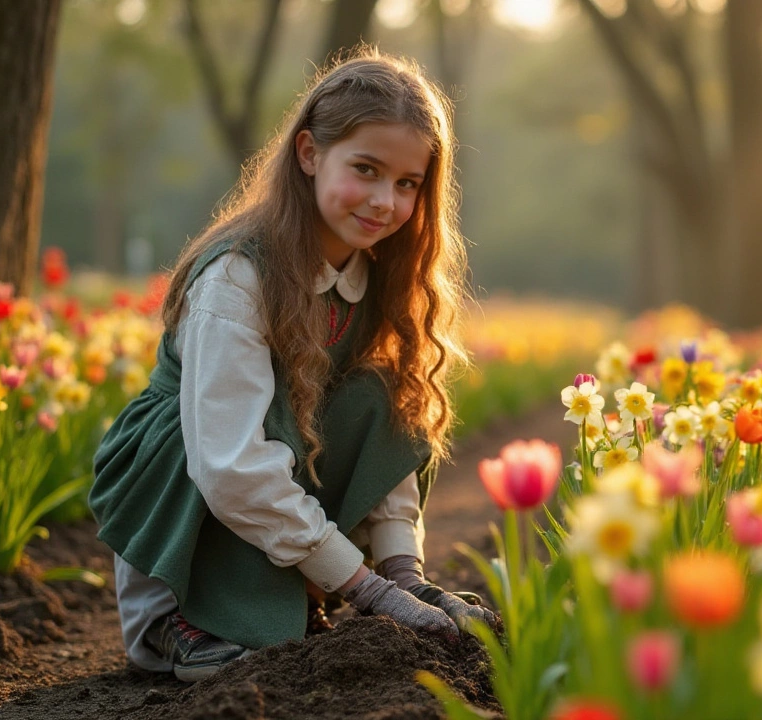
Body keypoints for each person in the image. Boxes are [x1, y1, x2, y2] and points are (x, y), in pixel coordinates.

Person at [89, 49, 497, 683]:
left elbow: (384, 436)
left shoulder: (374, 277)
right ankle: (170, 621)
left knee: (385, 391)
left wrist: (399, 581)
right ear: (309, 154)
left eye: (407, 183)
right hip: (187, 485)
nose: (385, 201)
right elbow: (227, 464)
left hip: (269, 486)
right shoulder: (238, 276)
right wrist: (361, 588)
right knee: (252, 652)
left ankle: (329, 590)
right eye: (365, 169)